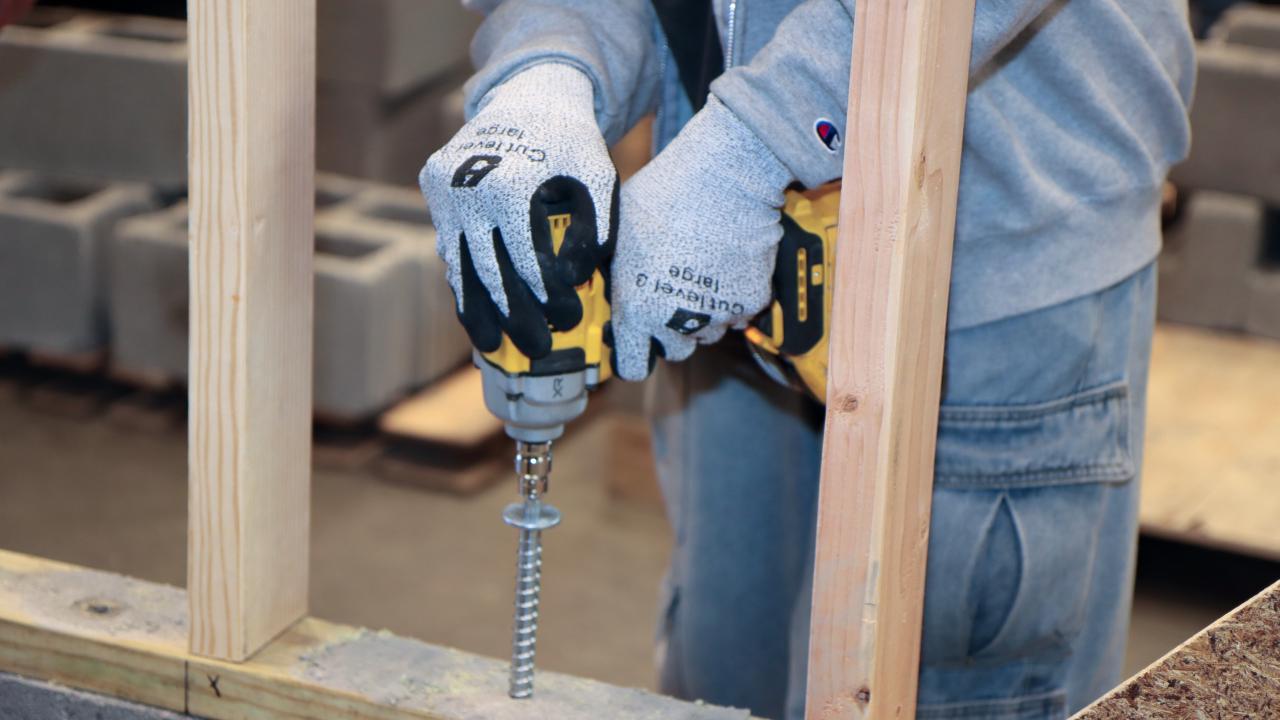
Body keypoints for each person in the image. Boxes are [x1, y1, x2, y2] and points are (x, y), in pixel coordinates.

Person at [420, 1, 1194, 718]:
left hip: (982, 267)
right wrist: (551, 63)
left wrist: (757, 143)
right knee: (725, 683)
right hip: (709, 246)